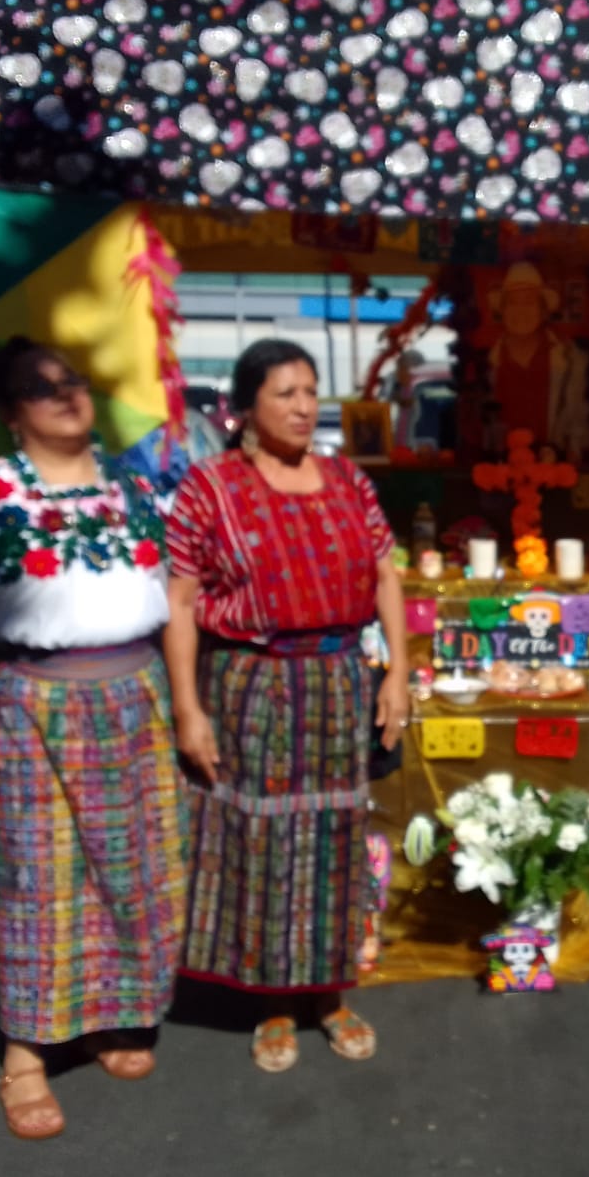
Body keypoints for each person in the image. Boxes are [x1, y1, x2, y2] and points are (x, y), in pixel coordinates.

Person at [0, 338, 186, 1141]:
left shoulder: (137, 490)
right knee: (38, 878)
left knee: (130, 868)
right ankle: (27, 1055)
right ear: (9, 413)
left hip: (136, 696)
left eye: (73, 379)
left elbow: (173, 594)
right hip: (34, 704)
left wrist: (188, 702)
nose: (67, 395)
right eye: (42, 387)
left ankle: (109, 1014)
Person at [164, 338, 408, 1073]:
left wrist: (398, 672)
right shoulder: (209, 489)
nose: (305, 407)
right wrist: (187, 710)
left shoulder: (347, 481)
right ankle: (271, 1000)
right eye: (286, 393)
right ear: (245, 408)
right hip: (251, 683)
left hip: (339, 678)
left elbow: (386, 576)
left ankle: (329, 995)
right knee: (264, 842)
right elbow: (180, 601)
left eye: (311, 391)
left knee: (336, 836)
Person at [486, 261, 589, 458]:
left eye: (529, 302)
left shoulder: (571, 359)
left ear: (543, 311)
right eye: (513, 303)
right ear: (502, 310)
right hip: (498, 470)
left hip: (555, 470)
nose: (521, 311)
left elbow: (579, 419)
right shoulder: (485, 362)